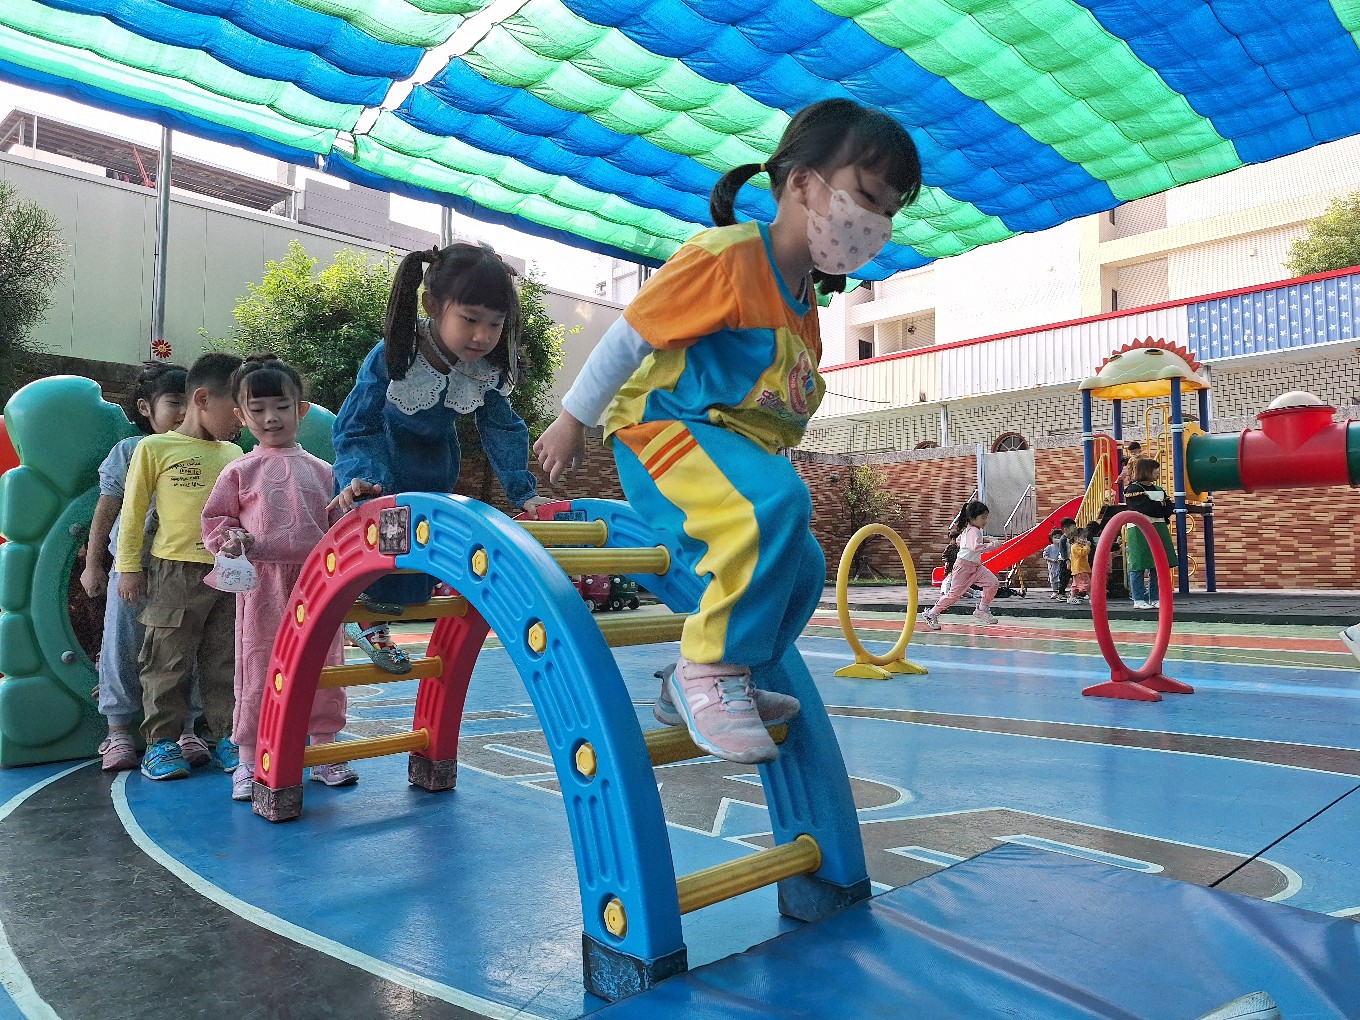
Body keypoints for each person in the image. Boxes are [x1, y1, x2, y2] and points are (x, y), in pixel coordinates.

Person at [534, 98, 921, 765]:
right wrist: (573, 419)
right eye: (865, 198)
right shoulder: (728, 258)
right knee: (776, 503)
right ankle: (707, 668)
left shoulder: (804, 306)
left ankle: (724, 676)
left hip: (723, 445)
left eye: (887, 211)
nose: (874, 224)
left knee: (802, 563)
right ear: (802, 183)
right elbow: (630, 336)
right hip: (663, 429)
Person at [330, 242, 553, 673]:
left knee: (421, 552)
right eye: (470, 319)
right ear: (432, 306)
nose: (482, 336)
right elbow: (357, 423)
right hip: (383, 460)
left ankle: (391, 613)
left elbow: (502, 428)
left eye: (495, 324)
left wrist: (523, 493)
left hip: (436, 464)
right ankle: (369, 619)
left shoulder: (485, 367)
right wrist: (361, 474)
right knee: (387, 541)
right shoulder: (399, 352)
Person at [203, 356, 356, 801]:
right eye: (258, 409)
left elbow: (339, 528)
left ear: (301, 410)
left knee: (325, 665)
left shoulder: (325, 471)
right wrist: (231, 541)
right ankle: (249, 760)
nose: (271, 417)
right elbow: (216, 520)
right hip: (262, 584)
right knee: (257, 669)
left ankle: (324, 751)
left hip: (316, 583)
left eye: (282, 406)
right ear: (241, 415)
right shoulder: (239, 470)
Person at [117, 352, 245, 780]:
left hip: (227, 571)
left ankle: (226, 737)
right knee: (167, 660)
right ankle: (161, 744)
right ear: (203, 399)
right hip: (174, 570)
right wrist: (129, 568)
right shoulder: (155, 448)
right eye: (236, 407)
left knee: (225, 659)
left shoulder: (234, 452)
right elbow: (133, 512)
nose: (243, 419)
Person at [82, 362, 205, 771]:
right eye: (174, 403)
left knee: (185, 648)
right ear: (145, 408)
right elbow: (106, 510)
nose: (184, 412)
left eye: (192, 403)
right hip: (132, 569)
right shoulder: (131, 451)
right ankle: (117, 731)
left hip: (185, 570)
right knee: (122, 644)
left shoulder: (208, 452)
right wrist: (94, 565)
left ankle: (185, 728)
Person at [922, 500, 1001, 630]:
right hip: (963, 568)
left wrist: (984, 539)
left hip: (975, 567)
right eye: (983, 517)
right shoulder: (973, 530)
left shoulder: (970, 529)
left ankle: (982, 609)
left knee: (993, 582)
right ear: (972, 518)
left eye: (986, 517)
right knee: (953, 595)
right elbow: (975, 547)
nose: (985, 521)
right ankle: (931, 614)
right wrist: (993, 545)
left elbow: (961, 541)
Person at [1124, 457, 1176, 609]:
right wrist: (1160, 507)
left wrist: (1158, 507)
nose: (1158, 472)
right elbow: (1145, 508)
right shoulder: (1133, 489)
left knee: (1157, 564)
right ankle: (1138, 599)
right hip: (1138, 529)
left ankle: (1155, 598)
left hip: (1159, 527)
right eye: (1155, 469)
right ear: (1146, 471)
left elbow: (1168, 509)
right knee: (1138, 564)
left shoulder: (1159, 489)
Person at [1068, 525, 1094, 603]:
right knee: (1087, 584)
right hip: (1080, 569)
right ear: (1076, 538)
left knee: (1076, 585)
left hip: (1078, 569)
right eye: (1083, 537)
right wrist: (1087, 546)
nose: (1085, 539)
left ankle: (1072, 597)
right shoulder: (1075, 546)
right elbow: (1083, 552)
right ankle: (1092, 598)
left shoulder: (1077, 546)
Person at [1056, 517, 1078, 598]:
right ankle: (1061, 593)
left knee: (1074, 578)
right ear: (1066, 528)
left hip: (1072, 561)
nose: (1075, 529)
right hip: (1064, 561)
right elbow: (1063, 552)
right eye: (1073, 528)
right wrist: (1067, 561)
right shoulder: (1063, 539)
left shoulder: (1072, 538)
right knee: (1064, 578)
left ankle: (1075, 593)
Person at [1041, 528, 1064, 599]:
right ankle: (1054, 591)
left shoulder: (1063, 547)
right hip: (1053, 566)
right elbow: (1045, 556)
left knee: (1061, 579)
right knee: (1053, 579)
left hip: (1061, 565)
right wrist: (1051, 559)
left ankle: (1061, 592)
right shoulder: (1049, 547)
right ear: (1051, 538)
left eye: (1059, 537)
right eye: (1055, 537)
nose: (1057, 539)